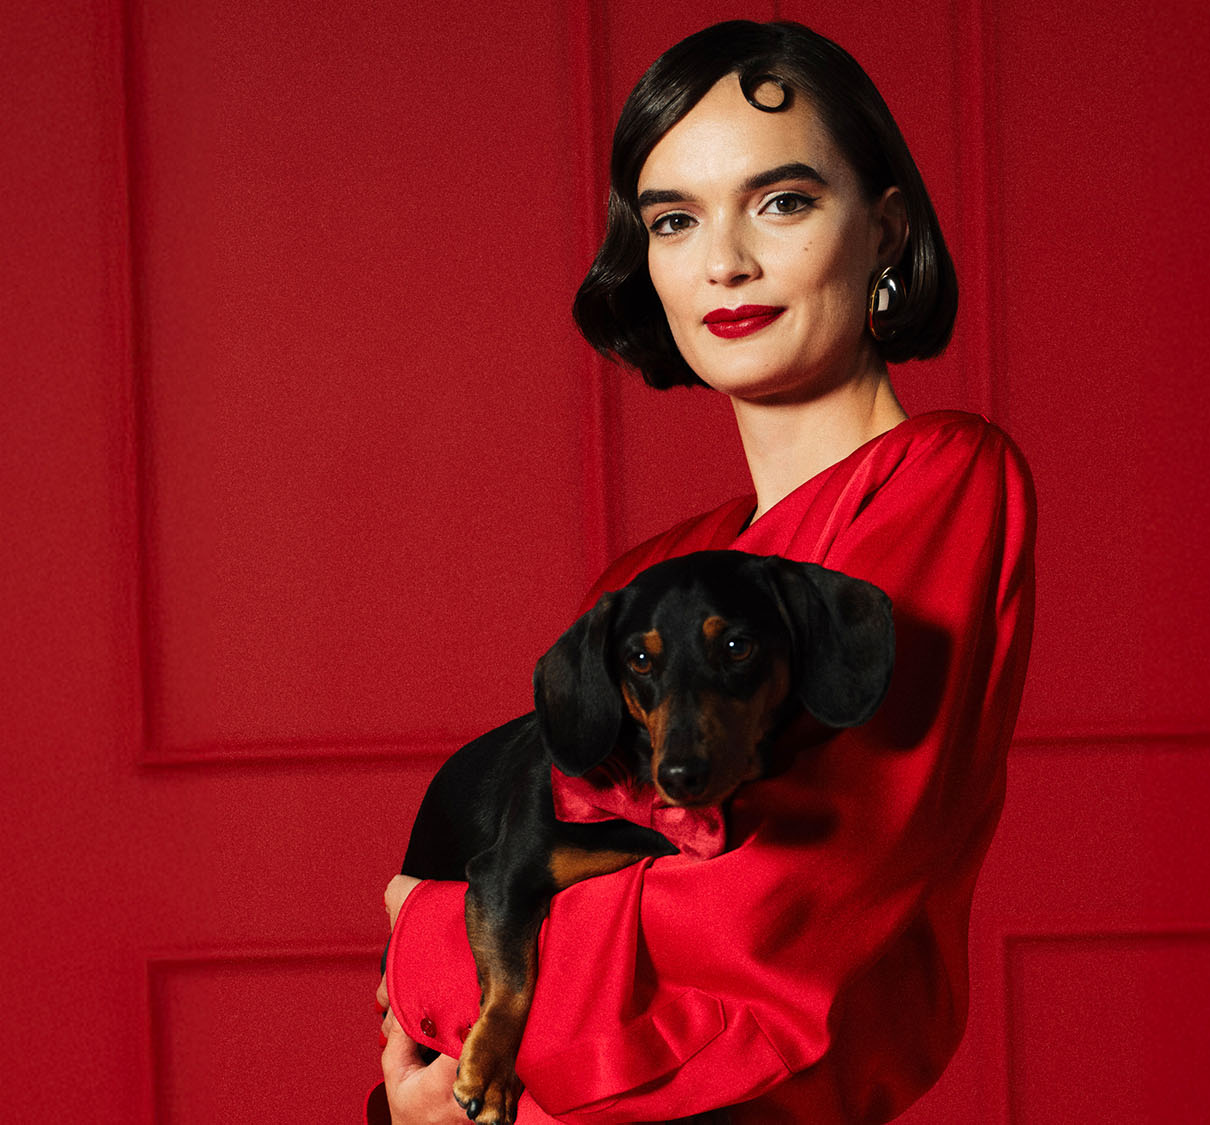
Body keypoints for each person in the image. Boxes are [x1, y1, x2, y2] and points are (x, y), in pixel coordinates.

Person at [376, 20, 1034, 1124]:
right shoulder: (657, 573)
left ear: (884, 228)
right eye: (674, 219)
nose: (723, 261)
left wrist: (424, 934)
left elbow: (761, 916)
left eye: (781, 202)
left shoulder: (940, 482)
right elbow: (569, 860)